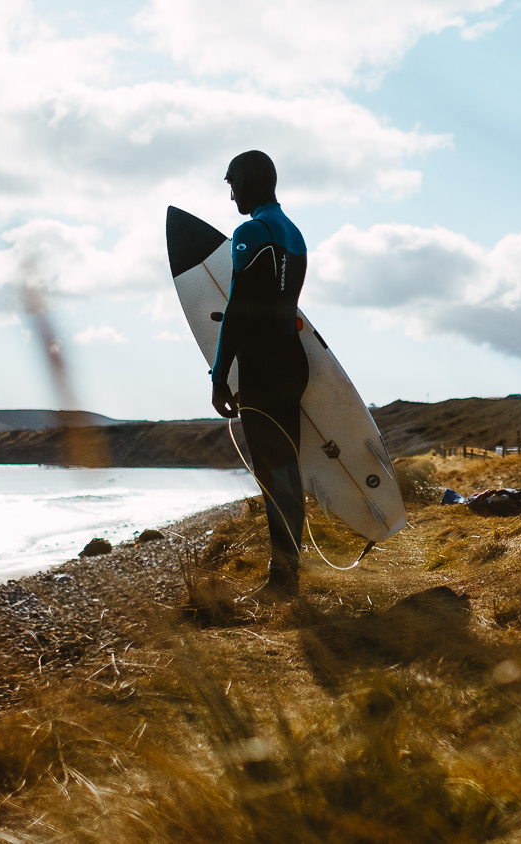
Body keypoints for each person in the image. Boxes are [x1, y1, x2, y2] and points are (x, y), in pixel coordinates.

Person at [210, 150, 310, 601]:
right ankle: (289, 570)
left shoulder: (250, 232)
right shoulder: (294, 234)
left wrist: (219, 374)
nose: (230, 194)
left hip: (262, 369)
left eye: (232, 182)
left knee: (272, 474)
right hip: (292, 363)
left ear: (249, 181)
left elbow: (237, 310)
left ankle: (281, 580)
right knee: (288, 469)